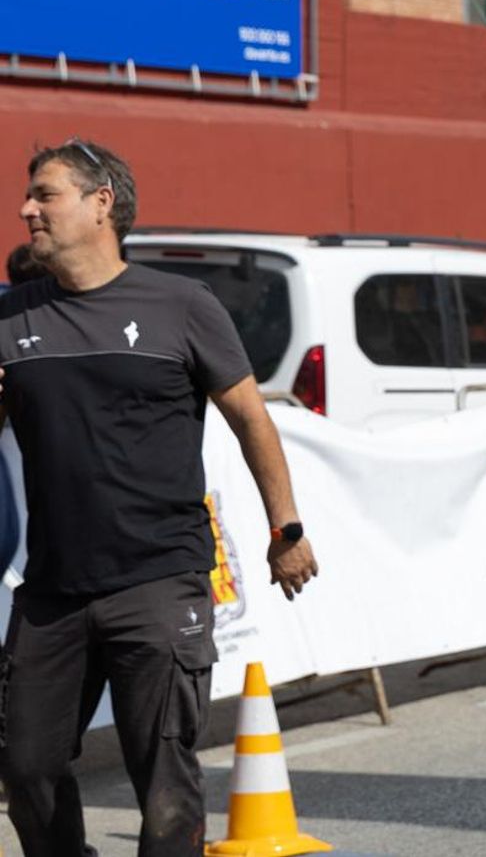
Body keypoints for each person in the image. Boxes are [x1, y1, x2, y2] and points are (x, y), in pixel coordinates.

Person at [0, 139, 319, 857]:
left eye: (44, 194)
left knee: (166, 789)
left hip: (159, 578)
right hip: (51, 590)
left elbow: (250, 417)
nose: (26, 209)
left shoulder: (181, 306)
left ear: (100, 202)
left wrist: (285, 527)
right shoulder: (10, 317)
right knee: (25, 769)